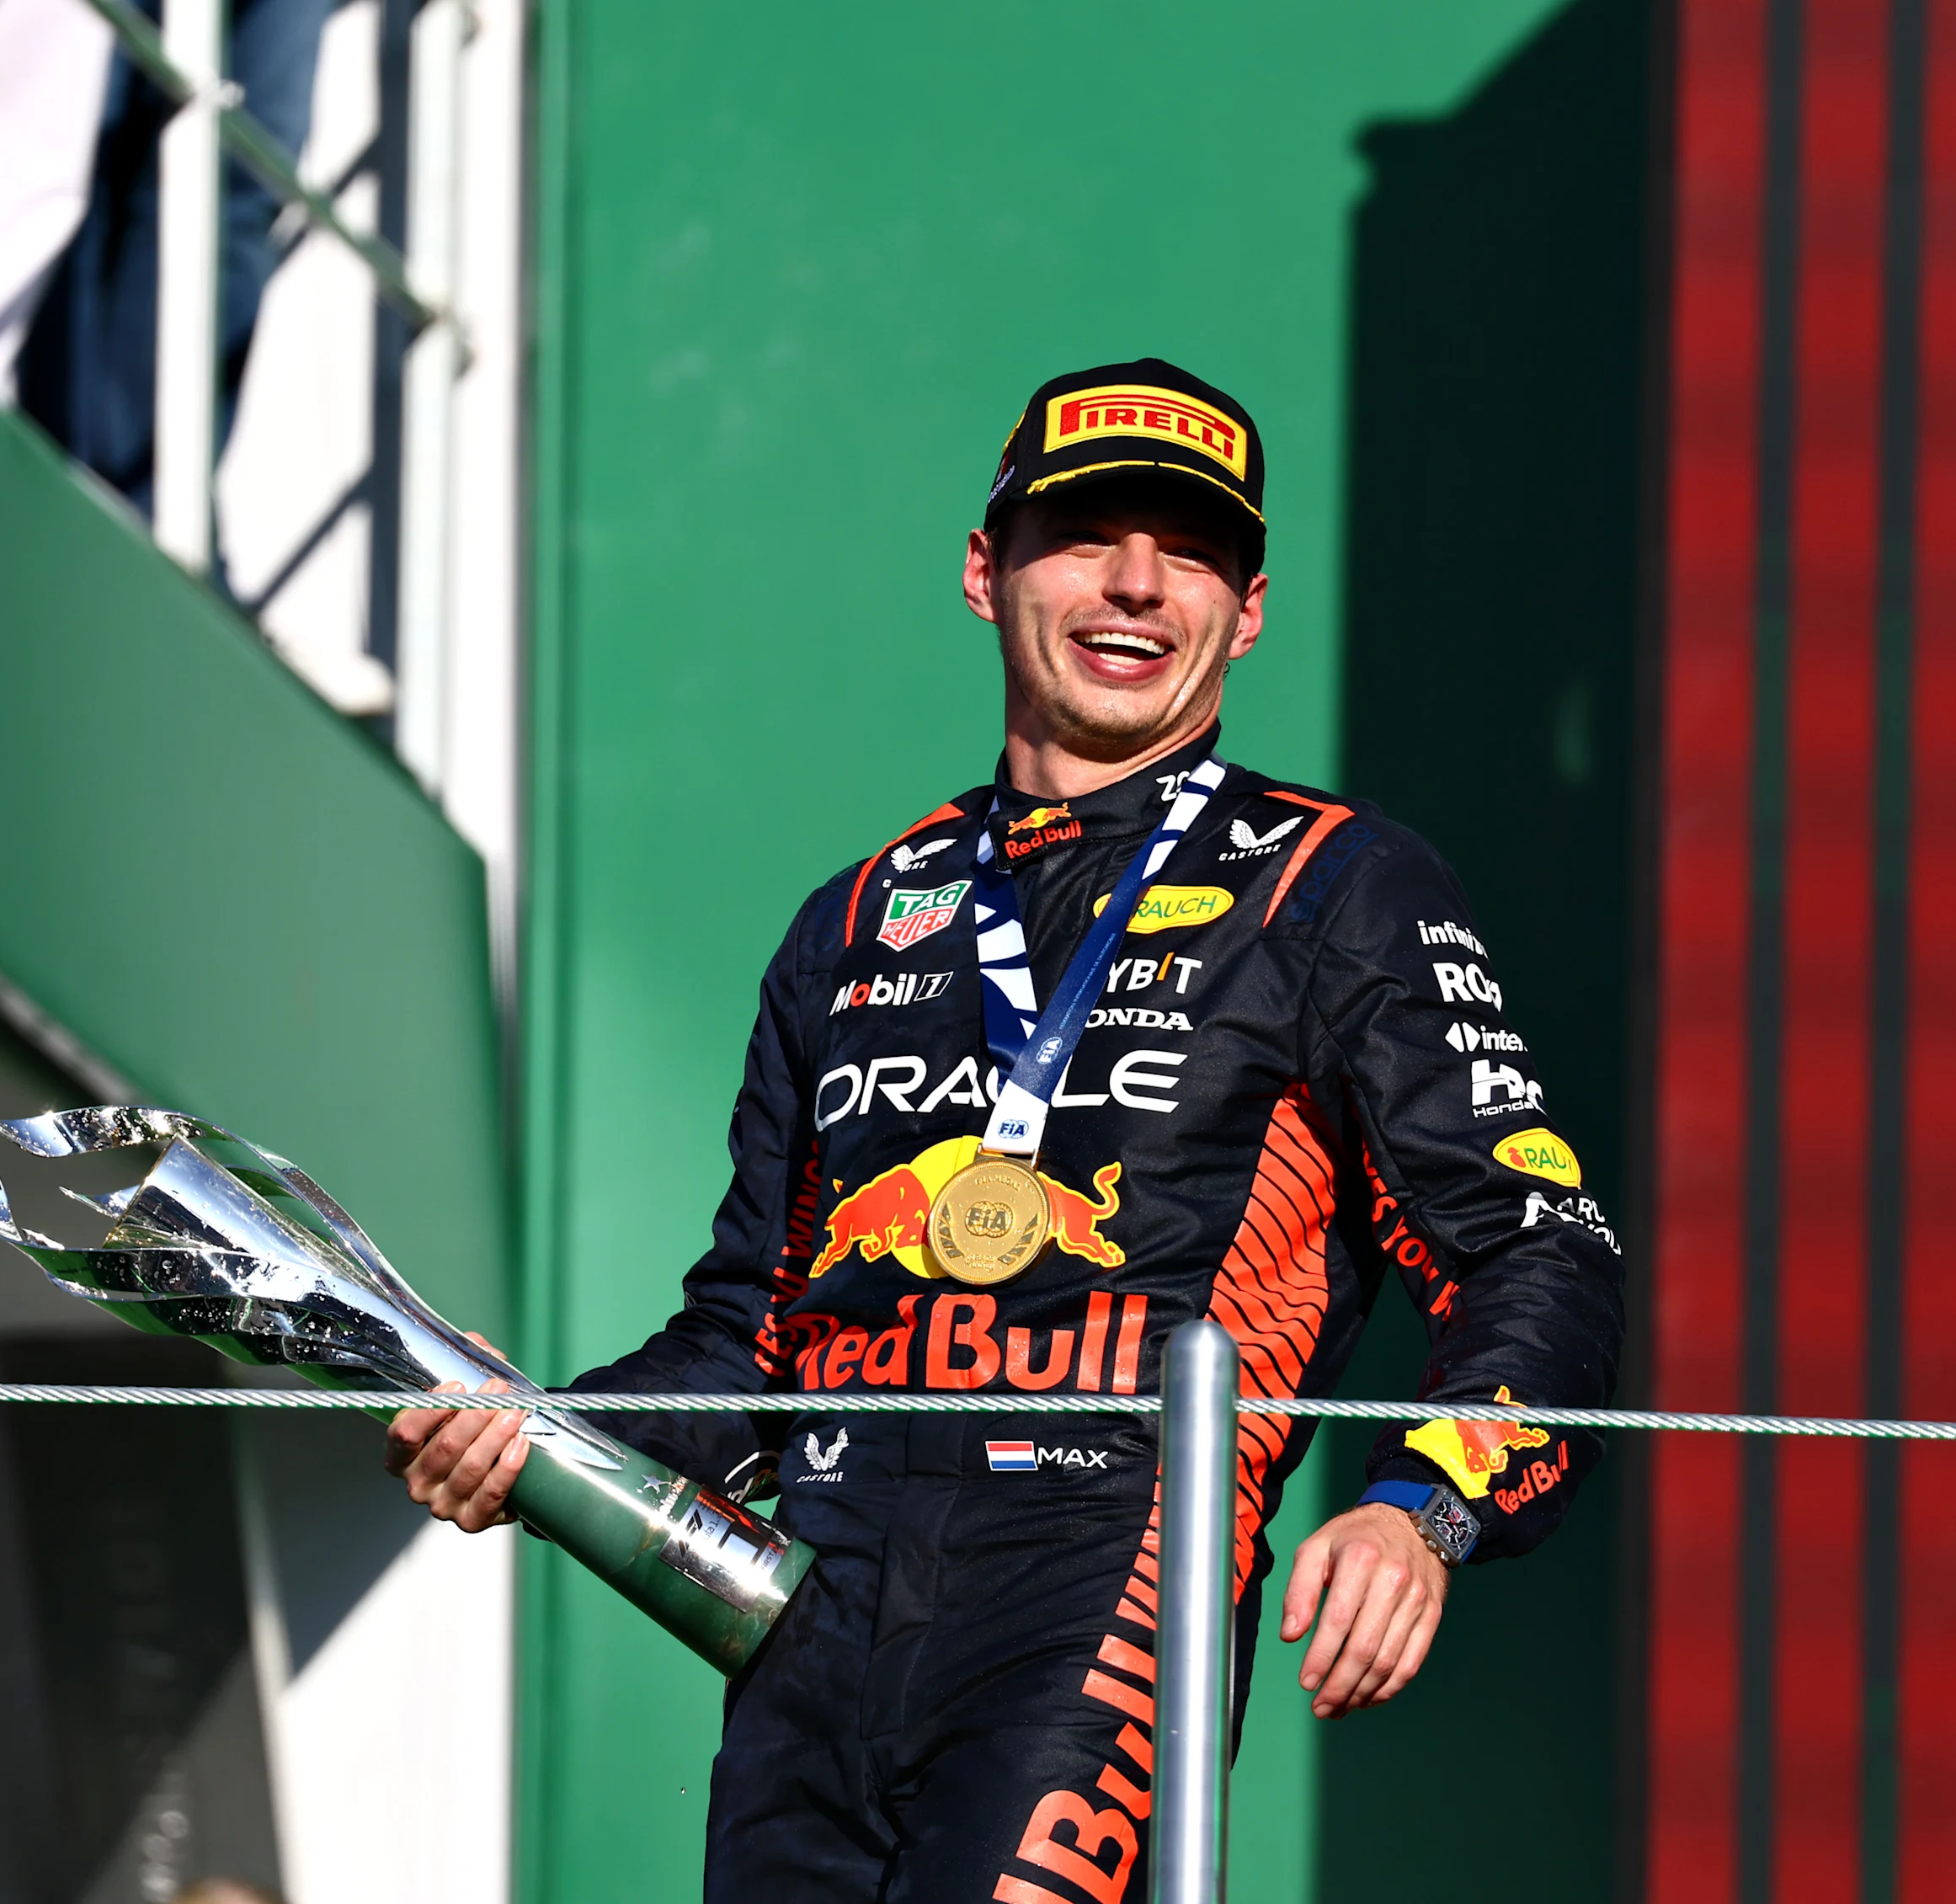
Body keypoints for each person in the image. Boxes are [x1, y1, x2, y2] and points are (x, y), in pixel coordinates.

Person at [386, 360, 1625, 1903]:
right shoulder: (851, 918)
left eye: (1189, 552)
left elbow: (1535, 1250)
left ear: (1245, 613)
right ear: (988, 571)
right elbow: (744, 1346)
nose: (1134, 585)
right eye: (1086, 533)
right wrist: (537, 1438)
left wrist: (1425, 1505)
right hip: (804, 1613)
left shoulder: (1335, 885)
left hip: (1108, 1578)